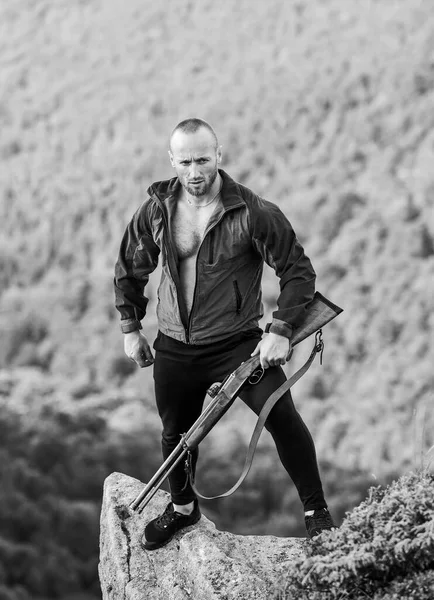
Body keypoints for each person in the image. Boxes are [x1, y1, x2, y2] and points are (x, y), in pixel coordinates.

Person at [114, 118, 335, 550]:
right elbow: (130, 267)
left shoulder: (253, 212)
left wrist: (282, 330)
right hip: (175, 344)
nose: (194, 171)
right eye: (185, 162)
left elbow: (297, 271)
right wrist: (130, 327)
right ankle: (182, 509)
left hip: (238, 344)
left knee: (282, 419)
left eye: (202, 159)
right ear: (171, 160)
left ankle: (317, 513)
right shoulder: (157, 209)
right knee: (175, 434)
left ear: (219, 155)